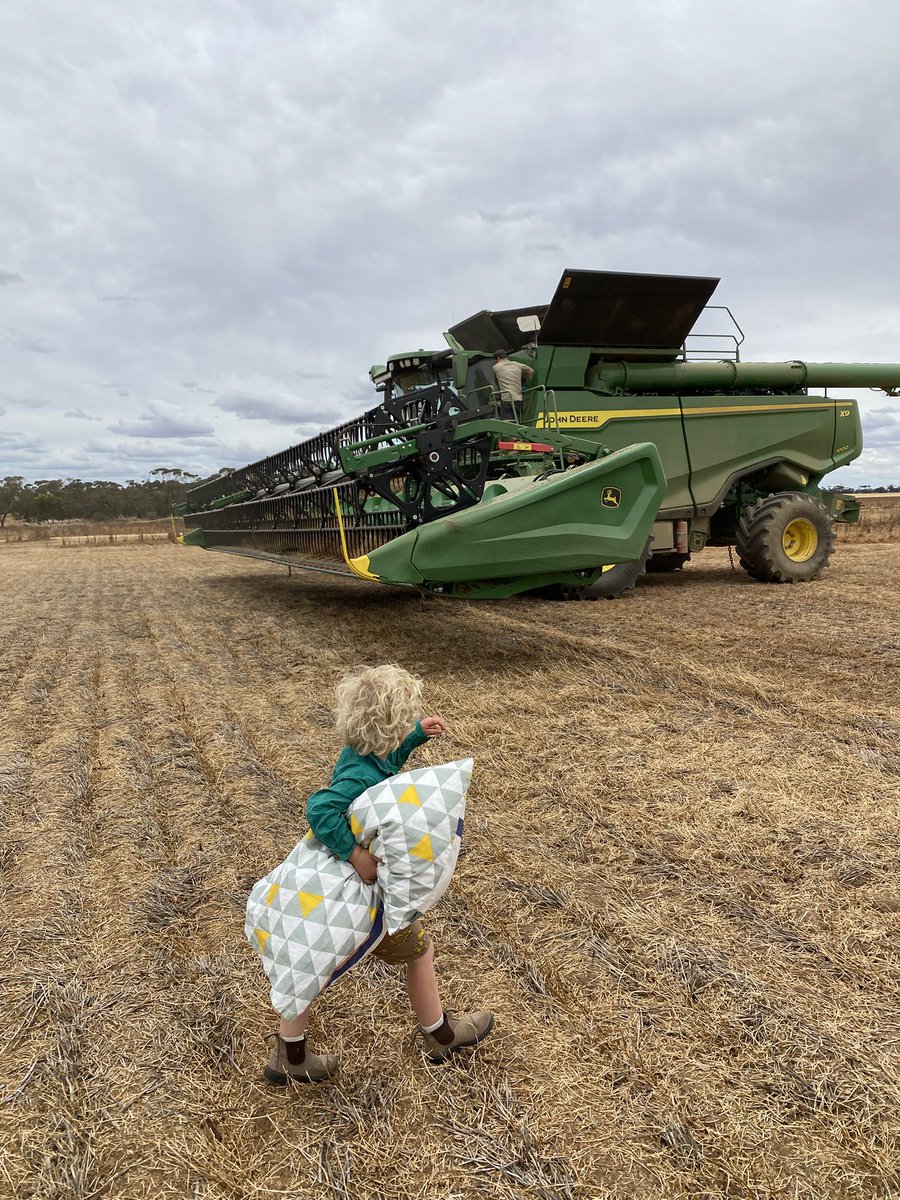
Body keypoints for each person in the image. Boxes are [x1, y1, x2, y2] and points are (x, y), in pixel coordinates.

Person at [264, 664, 494, 1084]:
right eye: (405, 722)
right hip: (362, 891)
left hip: (353, 883)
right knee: (414, 952)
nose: (408, 726)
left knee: (313, 959)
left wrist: (415, 737)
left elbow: (386, 765)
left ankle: (290, 1054)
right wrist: (355, 855)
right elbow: (319, 810)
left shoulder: (366, 753)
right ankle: (440, 1035)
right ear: (389, 726)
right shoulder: (358, 773)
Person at [492, 349, 534, 422]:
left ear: (498, 358)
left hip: (507, 401)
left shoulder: (496, 367)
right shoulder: (516, 364)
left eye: (494, 360)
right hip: (518, 401)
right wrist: (521, 377)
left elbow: (496, 382)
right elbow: (531, 371)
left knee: (507, 425)